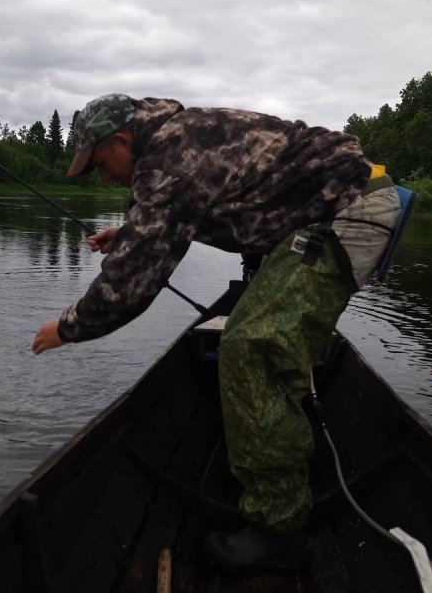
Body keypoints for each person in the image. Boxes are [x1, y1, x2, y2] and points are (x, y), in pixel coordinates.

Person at [32, 93, 401, 573]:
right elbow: (180, 214)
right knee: (264, 344)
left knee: (250, 348)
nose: (104, 177)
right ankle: (285, 458)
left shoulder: (168, 156)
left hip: (347, 213)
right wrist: (128, 236)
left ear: (121, 140)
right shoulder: (174, 143)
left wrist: (68, 326)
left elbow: (133, 282)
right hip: (328, 212)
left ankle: (280, 529)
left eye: (101, 164)